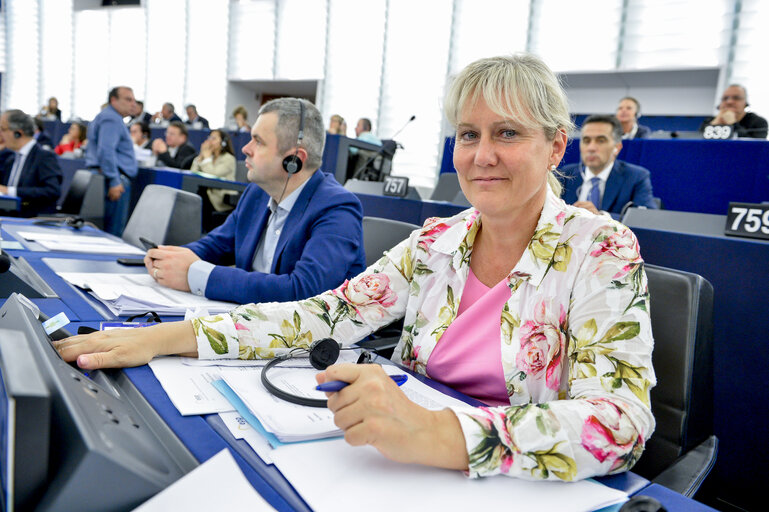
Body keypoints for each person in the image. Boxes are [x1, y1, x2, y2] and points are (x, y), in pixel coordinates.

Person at [55, 56, 655, 483]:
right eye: (468, 134)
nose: (482, 155)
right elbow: (324, 314)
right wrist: (169, 336)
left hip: (511, 482)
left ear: (555, 147)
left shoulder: (600, 249)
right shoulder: (437, 241)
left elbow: (620, 422)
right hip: (404, 474)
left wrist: (440, 434)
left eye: (508, 134)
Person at [143, 97, 364, 305]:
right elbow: (215, 246)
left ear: (294, 160)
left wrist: (198, 276)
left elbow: (304, 292)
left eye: (258, 142)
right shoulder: (257, 194)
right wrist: (168, 259)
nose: (245, 149)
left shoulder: (337, 208)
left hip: (308, 341)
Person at [561, 115, 658, 216]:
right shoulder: (565, 175)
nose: (591, 148)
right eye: (586, 140)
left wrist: (601, 217)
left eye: (601, 140)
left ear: (617, 147)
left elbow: (647, 218)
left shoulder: (636, 177)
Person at [84, 86, 139, 236]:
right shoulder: (112, 118)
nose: (133, 104)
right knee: (113, 233)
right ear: (113, 100)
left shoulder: (106, 116)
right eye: (128, 99)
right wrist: (115, 181)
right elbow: (106, 151)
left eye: (134, 100)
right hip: (114, 181)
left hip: (107, 177)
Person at [0, 109, 62, 216]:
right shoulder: (11, 158)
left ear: (18, 133)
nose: (0, 134)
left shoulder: (44, 157)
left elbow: (52, 191)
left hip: (30, 218)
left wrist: (10, 191)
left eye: (3, 129)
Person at [190, 128, 237, 230]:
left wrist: (206, 158)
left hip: (220, 198)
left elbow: (213, 174)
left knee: (200, 193)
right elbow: (192, 172)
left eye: (214, 138)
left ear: (223, 143)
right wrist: (201, 157)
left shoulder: (228, 158)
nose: (210, 141)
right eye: (209, 138)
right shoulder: (208, 157)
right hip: (208, 194)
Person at [699, 84, 768, 139]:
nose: (729, 102)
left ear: (745, 103)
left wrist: (733, 123)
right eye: (725, 98)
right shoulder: (709, 121)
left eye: (736, 98)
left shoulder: (759, 122)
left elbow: (756, 147)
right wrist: (713, 125)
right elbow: (698, 142)